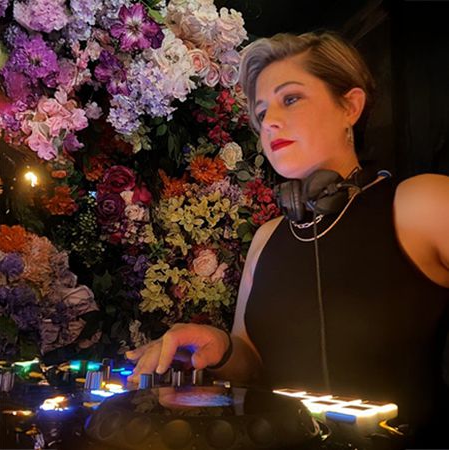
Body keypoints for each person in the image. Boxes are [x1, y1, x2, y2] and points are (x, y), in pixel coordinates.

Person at [127, 31, 449, 445]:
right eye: (261, 112)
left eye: (291, 98)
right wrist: (222, 347)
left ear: (350, 106)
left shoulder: (421, 203)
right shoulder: (266, 238)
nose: (270, 122)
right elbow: (252, 361)